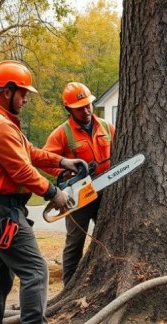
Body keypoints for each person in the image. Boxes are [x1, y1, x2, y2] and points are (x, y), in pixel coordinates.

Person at [0, 60, 84, 324]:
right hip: (1, 211)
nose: (27, 98)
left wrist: (62, 161)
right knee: (36, 271)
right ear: (7, 91)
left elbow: (28, 152)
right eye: (23, 92)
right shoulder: (0, 127)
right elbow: (21, 170)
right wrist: (54, 193)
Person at [43, 82, 115, 286]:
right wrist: (65, 171)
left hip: (106, 191)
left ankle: (106, 282)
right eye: (80, 108)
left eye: (88, 105)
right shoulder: (62, 133)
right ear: (69, 109)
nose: (86, 110)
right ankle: (70, 285)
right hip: (79, 195)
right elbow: (45, 160)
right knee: (75, 242)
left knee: (110, 235)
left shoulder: (106, 127)